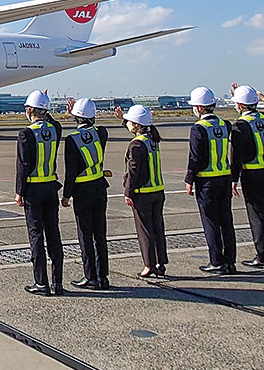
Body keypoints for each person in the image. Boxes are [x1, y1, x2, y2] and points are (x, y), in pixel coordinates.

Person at [15, 90, 64, 296]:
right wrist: (44, 106)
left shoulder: (26, 133)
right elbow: (54, 122)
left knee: (36, 236)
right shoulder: (55, 130)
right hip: (51, 187)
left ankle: (41, 283)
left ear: (28, 110)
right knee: (53, 234)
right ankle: (58, 283)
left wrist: (19, 192)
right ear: (45, 110)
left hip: (33, 190)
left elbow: (22, 166)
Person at [184, 86, 237, 274]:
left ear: (199, 107)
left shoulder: (198, 128)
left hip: (207, 181)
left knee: (211, 222)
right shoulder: (225, 125)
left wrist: (189, 179)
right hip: (224, 178)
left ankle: (216, 260)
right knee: (226, 221)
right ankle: (230, 261)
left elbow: (195, 157)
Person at [229, 84, 264, 269]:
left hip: (252, 173)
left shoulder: (240, 126)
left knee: (257, 217)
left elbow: (236, 156)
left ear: (240, 105)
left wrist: (234, 178)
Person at [61, 97, 110, 289]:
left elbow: (71, 171)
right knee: (100, 235)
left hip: (82, 191)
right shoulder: (101, 133)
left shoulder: (72, 140)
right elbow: (97, 128)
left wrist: (66, 194)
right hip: (99, 187)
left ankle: (90, 276)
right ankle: (103, 276)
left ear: (75, 118)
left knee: (85, 235)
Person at [119, 104, 168, 278]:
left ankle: (148, 264)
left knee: (145, 231)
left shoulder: (136, 145)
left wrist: (128, 192)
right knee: (157, 228)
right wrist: (123, 120)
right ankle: (161, 262)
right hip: (158, 190)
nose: (128, 124)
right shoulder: (153, 140)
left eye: (130, 122)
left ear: (137, 125)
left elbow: (134, 172)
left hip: (143, 193)